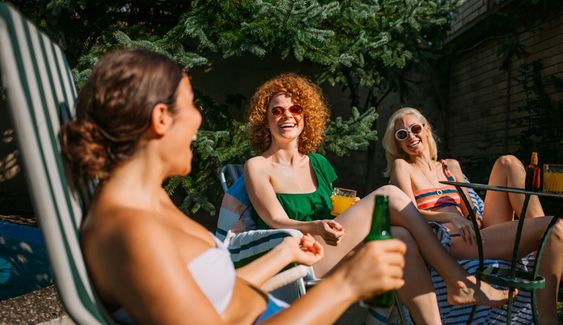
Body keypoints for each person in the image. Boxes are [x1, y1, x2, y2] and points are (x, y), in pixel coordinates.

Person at [60, 48, 408, 325]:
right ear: (161, 118)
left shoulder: (150, 201)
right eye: (192, 103)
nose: (198, 119)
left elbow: (218, 294)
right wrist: (345, 285)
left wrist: (285, 254)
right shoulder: (130, 231)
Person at [244, 73, 512, 325]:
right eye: (276, 111)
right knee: (390, 195)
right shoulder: (257, 165)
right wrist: (316, 226)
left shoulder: (318, 163)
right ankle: (459, 281)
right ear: (265, 119)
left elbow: (336, 211)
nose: (286, 116)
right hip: (298, 255)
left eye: (295, 109)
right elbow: (275, 219)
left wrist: (355, 211)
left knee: (400, 237)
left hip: (331, 249)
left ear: (306, 116)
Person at [382, 106, 563, 325]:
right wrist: (448, 217)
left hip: (475, 233)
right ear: (398, 143)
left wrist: (471, 216)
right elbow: (408, 211)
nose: (411, 136)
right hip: (449, 239)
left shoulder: (450, 166)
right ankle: (547, 319)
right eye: (402, 135)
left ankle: (539, 253)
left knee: (509, 163)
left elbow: (472, 211)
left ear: (427, 129)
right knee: (553, 227)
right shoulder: (403, 167)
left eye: (415, 128)